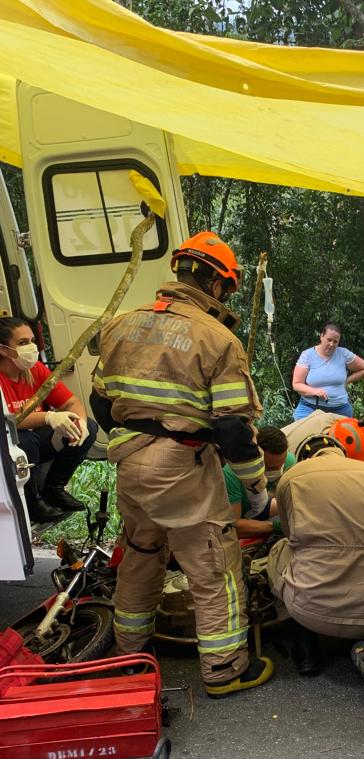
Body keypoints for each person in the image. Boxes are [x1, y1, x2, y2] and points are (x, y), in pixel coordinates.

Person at [91, 231, 273, 699]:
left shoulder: (120, 326)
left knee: (140, 557)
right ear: (216, 283)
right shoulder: (217, 339)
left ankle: (128, 660)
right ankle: (225, 668)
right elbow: (233, 429)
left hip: (130, 463)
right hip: (183, 467)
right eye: (226, 288)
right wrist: (255, 487)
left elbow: (99, 400)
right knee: (213, 567)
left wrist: (133, 439)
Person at [266, 432, 364, 709]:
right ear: (343, 454)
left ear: (304, 457)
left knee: (281, 549)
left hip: (310, 610)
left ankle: (305, 648)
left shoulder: (291, 478)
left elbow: (290, 534)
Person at [0, 316, 97, 523]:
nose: (32, 347)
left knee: (87, 427)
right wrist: (49, 416)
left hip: (35, 444)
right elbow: (8, 422)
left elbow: (71, 402)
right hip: (8, 448)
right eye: (23, 343)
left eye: (33, 340)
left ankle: (54, 488)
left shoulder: (35, 370)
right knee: (25, 440)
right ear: (3, 350)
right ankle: (32, 501)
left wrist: (78, 420)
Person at [223, 425, 295, 539]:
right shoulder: (232, 474)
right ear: (256, 457)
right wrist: (275, 527)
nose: (277, 470)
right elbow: (234, 527)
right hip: (244, 523)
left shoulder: (289, 461)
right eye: (270, 468)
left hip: (265, 511)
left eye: (280, 466)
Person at [292, 322, 364, 420]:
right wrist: (314, 391)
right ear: (321, 336)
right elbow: (296, 384)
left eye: (335, 342)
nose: (332, 344)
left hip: (340, 408)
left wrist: (348, 380)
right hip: (310, 407)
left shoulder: (343, 353)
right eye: (329, 340)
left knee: (346, 433)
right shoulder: (307, 355)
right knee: (300, 432)